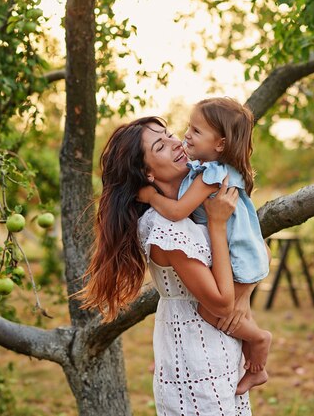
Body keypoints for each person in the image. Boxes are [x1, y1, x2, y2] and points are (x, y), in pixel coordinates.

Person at [78, 117, 252, 415]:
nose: (175, 142)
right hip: (197, 362)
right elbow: (222, 303)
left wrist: (245, 296)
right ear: (147, 173)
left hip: (220, 354)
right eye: (160, 145)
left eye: (170, 134)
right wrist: (218, 224)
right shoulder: (165, 229)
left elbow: (247, 253)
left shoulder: (193, 211)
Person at [138, 97, 272, 392]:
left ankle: (260, 342)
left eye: (195, 131)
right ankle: (254, 364)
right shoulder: (206, 169)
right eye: (187, 128)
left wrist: (149, 196)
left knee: (214, 312)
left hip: (239, 261)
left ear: (220, 144)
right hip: (243, 260)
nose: (184, 137)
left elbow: (177, 211)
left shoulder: (213, 174)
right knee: (237, 312)